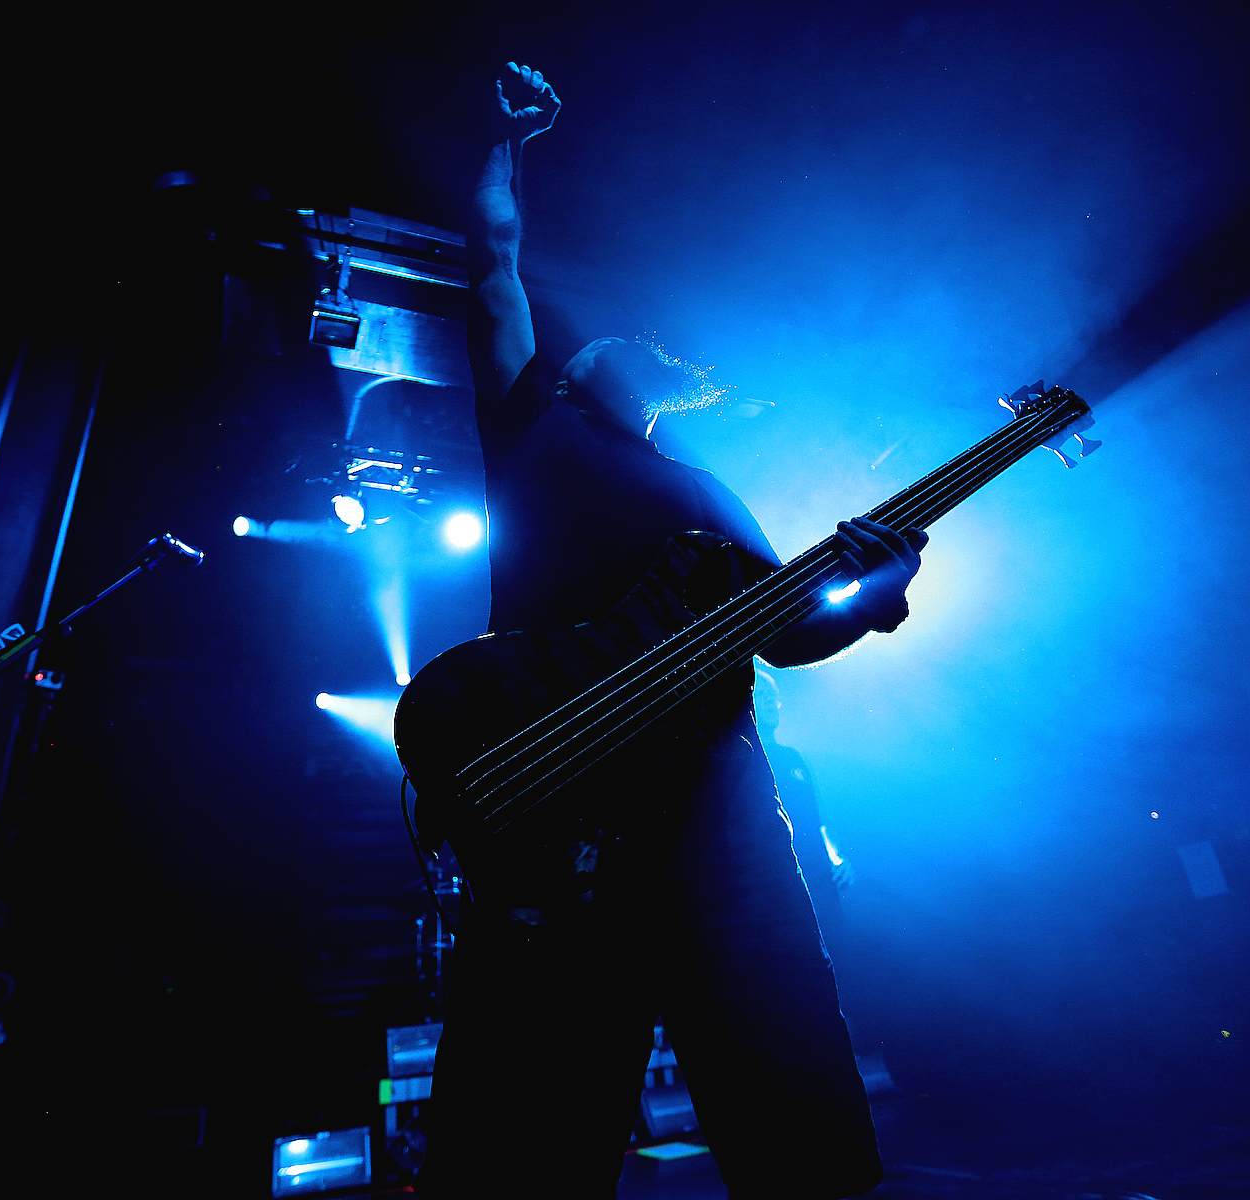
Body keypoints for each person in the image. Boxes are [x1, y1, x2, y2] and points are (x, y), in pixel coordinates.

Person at [413, 64, 927, 1199]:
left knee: (796, 1117)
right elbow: (493, 259)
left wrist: (879, 594)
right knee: (528, 1129)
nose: (601, 340)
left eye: (622, 343)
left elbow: (789, 638)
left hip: (718, 812)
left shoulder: (709, 496)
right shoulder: (532, 427)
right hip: (560, 804)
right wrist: (506, 144)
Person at [753, 666, 854, 940]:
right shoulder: (744, 759)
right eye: (761, 694)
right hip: (777, 887)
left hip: (820, 883)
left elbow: (819, 820)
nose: (770, 701)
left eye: (773, 695)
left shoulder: (792, 757)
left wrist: (837, 858)